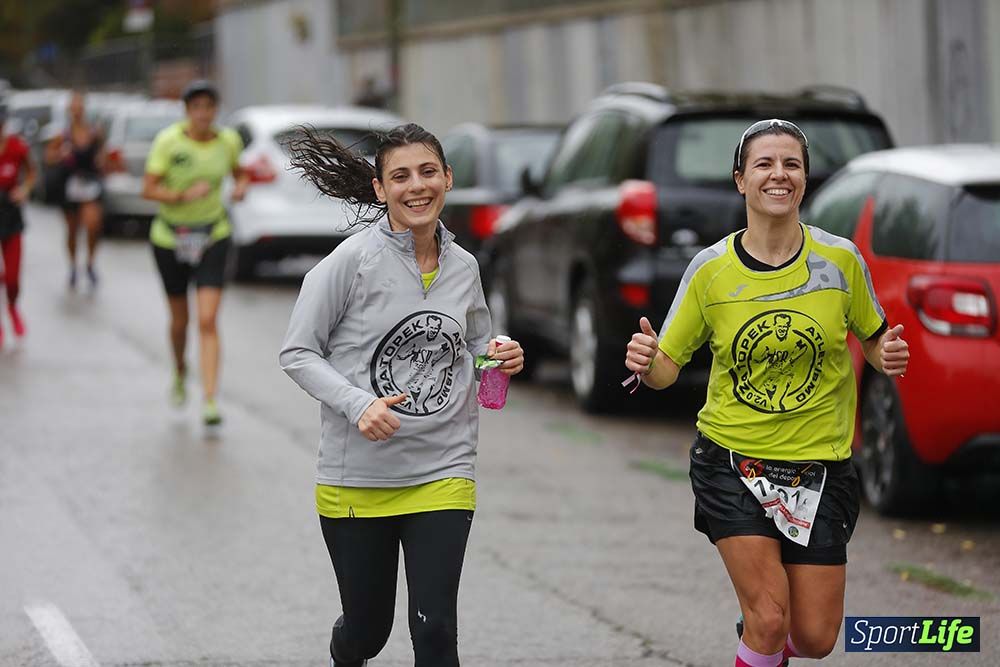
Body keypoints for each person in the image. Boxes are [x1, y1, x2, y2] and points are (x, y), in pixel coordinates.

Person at [624, 119, 909, 667]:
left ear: (804, 180)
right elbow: (664, 369)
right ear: (740, 180)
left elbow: (873, 339)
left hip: (821, 469)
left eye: (792, 165)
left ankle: (761, 633)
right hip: (734, 463)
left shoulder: (840, 261)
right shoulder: (711, 271)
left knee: (816, 639)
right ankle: (761, 627)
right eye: (764, 164)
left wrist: (885, 355)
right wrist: (646, 362)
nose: (779, 175)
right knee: (771, 620)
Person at [279, 122, 524, 667]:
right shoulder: (350, 263)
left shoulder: (465, 267)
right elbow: (297, 352)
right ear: (380, 189)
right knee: (368, 632)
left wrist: (502, 359)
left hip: (443, 470)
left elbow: (479, 353)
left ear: (447, 178)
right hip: (357, 478)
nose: (417, 186)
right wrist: (358, 403)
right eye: (401, 176)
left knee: (435, 632)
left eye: (428, 172)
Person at [141, 80, 248, 426]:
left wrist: (241, 188)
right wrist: (181, 196)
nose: (203, 114)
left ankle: (210, 399)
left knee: (207, 319)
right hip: (170, 238)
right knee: (180, 321)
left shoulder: (228, 141)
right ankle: (179, 369)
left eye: (209, 107)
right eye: (196, 107)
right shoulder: (168, 142)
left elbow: (240, 173)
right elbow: (149, 189)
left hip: (213, 235)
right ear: (187, 111)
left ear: (215, 110)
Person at [45, 91, 104, 289]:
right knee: (72, 230)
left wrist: (103, 160)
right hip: (69, 185)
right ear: (70, 110)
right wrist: (60, 154)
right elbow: (48, 157)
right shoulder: (63, 135)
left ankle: (90, 263)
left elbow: (103, 156)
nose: (77, 111)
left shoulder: (95, 132)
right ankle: (72, 266)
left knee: (93, 225)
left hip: (90, 184)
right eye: (74, 107)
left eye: (80, 107)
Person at [0, 103, 37, 346]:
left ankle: (13, 307)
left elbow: (32, 172)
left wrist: (24, 189)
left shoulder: (16, 147)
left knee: (12, 277)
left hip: (11, 218)